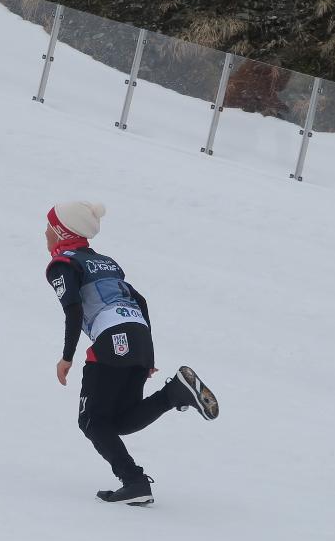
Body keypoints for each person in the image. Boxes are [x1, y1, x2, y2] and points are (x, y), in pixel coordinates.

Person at [44, 201, 217, 505]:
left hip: (112, 339)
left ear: (61, 231)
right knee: (118, 422)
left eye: (49, 227)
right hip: (138, 337)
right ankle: (174, 393)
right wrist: (147, 356)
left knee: (92, 422)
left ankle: (134, 481)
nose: (45, 233)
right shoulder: (107, 262)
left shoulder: (63, 264)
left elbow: (72, 309)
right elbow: (140, 299)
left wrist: (67, 357)